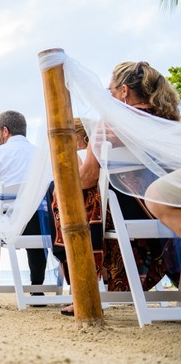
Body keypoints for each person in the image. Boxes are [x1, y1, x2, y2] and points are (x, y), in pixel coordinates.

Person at [76, 61, 180, 302]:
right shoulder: (170, 118)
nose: (109, 98)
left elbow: (89, 177)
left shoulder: (109, 124)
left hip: (136, 210)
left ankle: (86, 285)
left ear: (124, 91)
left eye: (110, 91)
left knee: (64, 194)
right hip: (170, 207)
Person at [0, 110, 49, 299]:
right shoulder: (43, 154)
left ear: (5, 131)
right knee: (36, 214)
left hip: (8, 226)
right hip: (42, 226)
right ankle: (37, 288)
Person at [48, 118, 104, 316]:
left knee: (54, 187)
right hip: (108, 211)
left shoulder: (80, 155)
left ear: (78, 138)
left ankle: (81, 295)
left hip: (86, 219)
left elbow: (79, 183)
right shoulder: (94, 152)